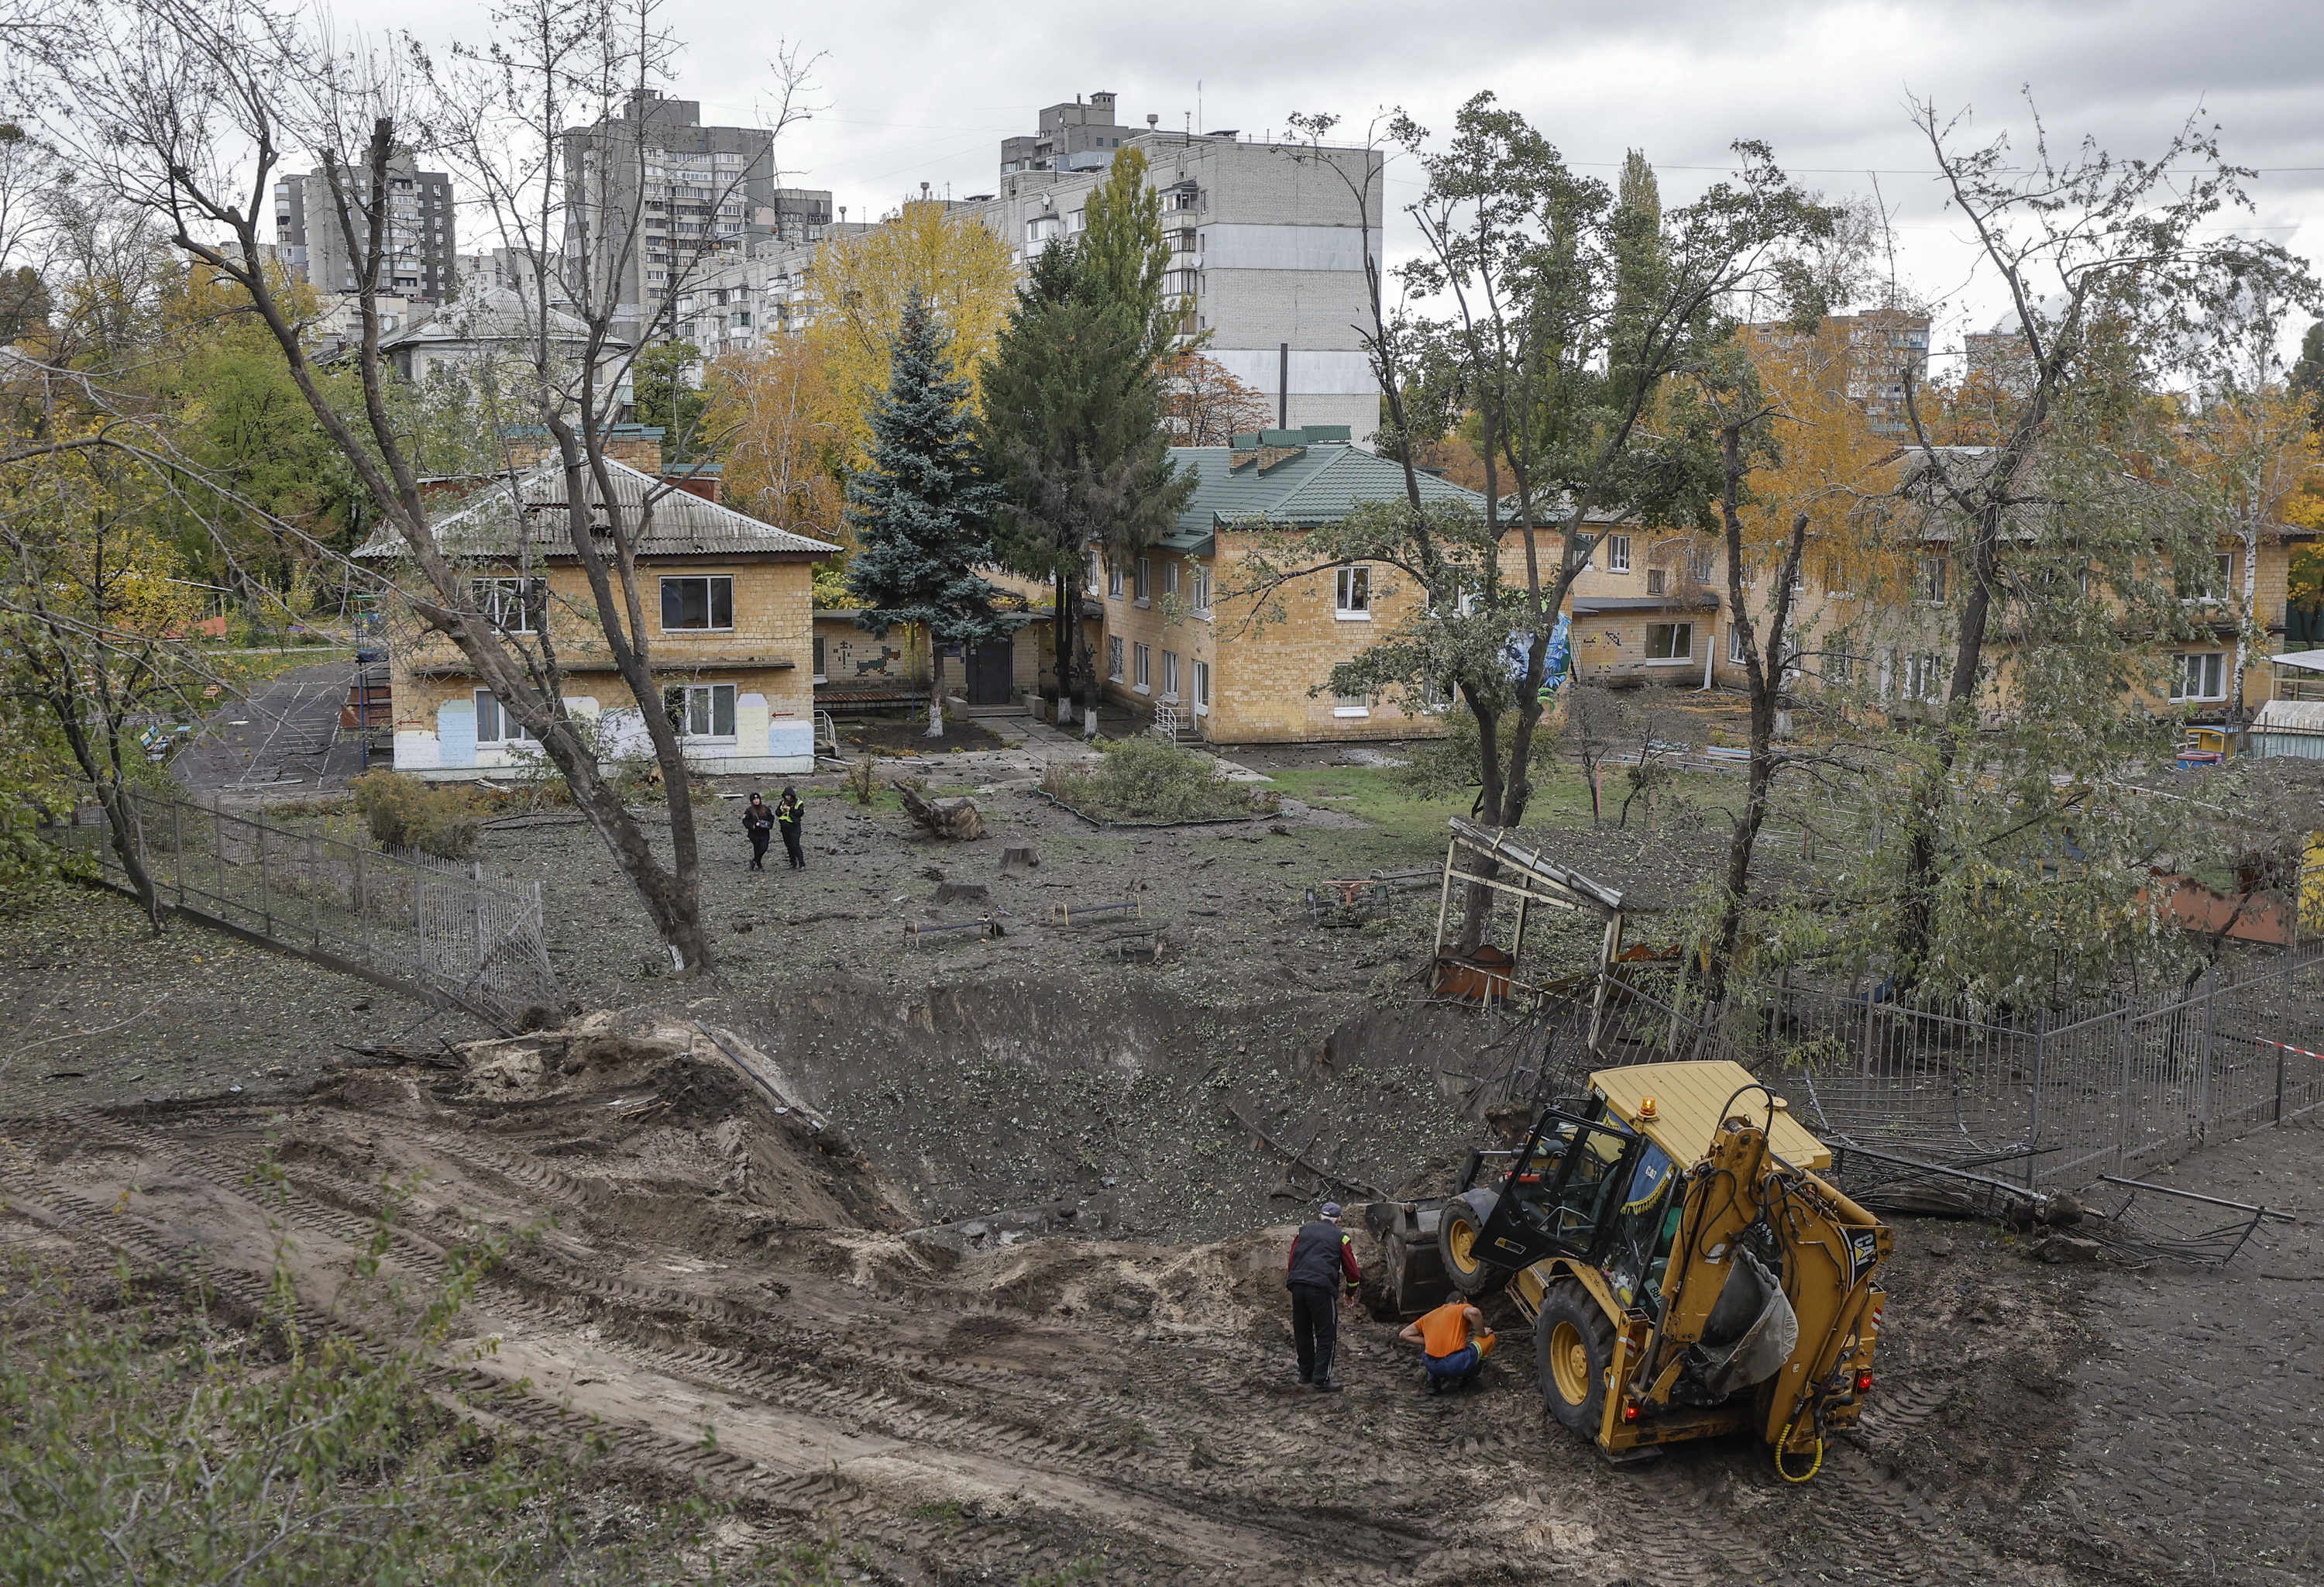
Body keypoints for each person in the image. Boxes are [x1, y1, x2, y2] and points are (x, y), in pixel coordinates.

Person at [1284, 1201, 1361, 1392]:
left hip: (1298, 1285)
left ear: (1320, 1216)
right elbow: (1353, 1273)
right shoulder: (1341, 1238)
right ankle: (1321, 1380)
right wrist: (1350, 1293)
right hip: (1321, 1288)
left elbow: (1293, 1259)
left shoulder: (1304, 1231)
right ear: (1339, 1219)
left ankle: (1305, 1374)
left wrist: (1295, 1282)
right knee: (1326, 1335)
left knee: (1302, 1331)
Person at [1401, 1291, 1497, 1395]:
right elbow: (1474, 1312)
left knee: (1429, 1352)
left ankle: (1433, 1382)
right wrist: (1482, 1333)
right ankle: (1468, 1380)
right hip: (1455, 1365)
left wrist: (1429, 1340)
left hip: (1431, 1366)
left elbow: (1404, 1334)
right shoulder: (1459, 1308)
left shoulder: (1429, 1316)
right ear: (1459, 1302)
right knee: (1489, 1338)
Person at [741, 792, 774, 870]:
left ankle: (754, 861)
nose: (756, 801)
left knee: (764, 848)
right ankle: (759, 865)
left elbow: (771, 818)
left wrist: (769, 825)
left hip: (764, 832)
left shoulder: (766, 809)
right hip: (754, 834)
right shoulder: (749, 811)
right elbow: (745, 821)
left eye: (757, 799)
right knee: (757, 848)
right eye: (754, 799)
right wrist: (752, 826)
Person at [775, 787, 804, 870]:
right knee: (789, 846)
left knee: (795, 845)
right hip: (784, 827)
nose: (787, 797)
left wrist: (791, 810)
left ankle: (802, 863)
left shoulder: (799, 803)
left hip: (794, 827)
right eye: (786, 796)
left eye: (789, 796)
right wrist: (782, 811)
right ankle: (793, 863)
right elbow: (777, 813)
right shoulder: (782, 803)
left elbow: (800, 813)